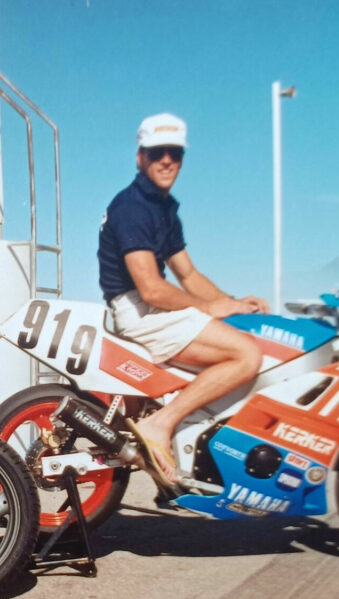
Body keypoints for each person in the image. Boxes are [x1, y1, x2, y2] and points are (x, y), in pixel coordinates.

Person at [97, 113, 269, 487]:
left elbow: (188, 275)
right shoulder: (132, 207)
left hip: (151, 305)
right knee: (247, 355)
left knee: (245, 335)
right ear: (140, 157)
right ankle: (161, 424)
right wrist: (210, 308)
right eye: (157, 151)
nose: (166, 160)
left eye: (174, 152)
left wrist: (234, 304)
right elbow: (151, 288)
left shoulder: (164, 207)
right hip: (139, 309)